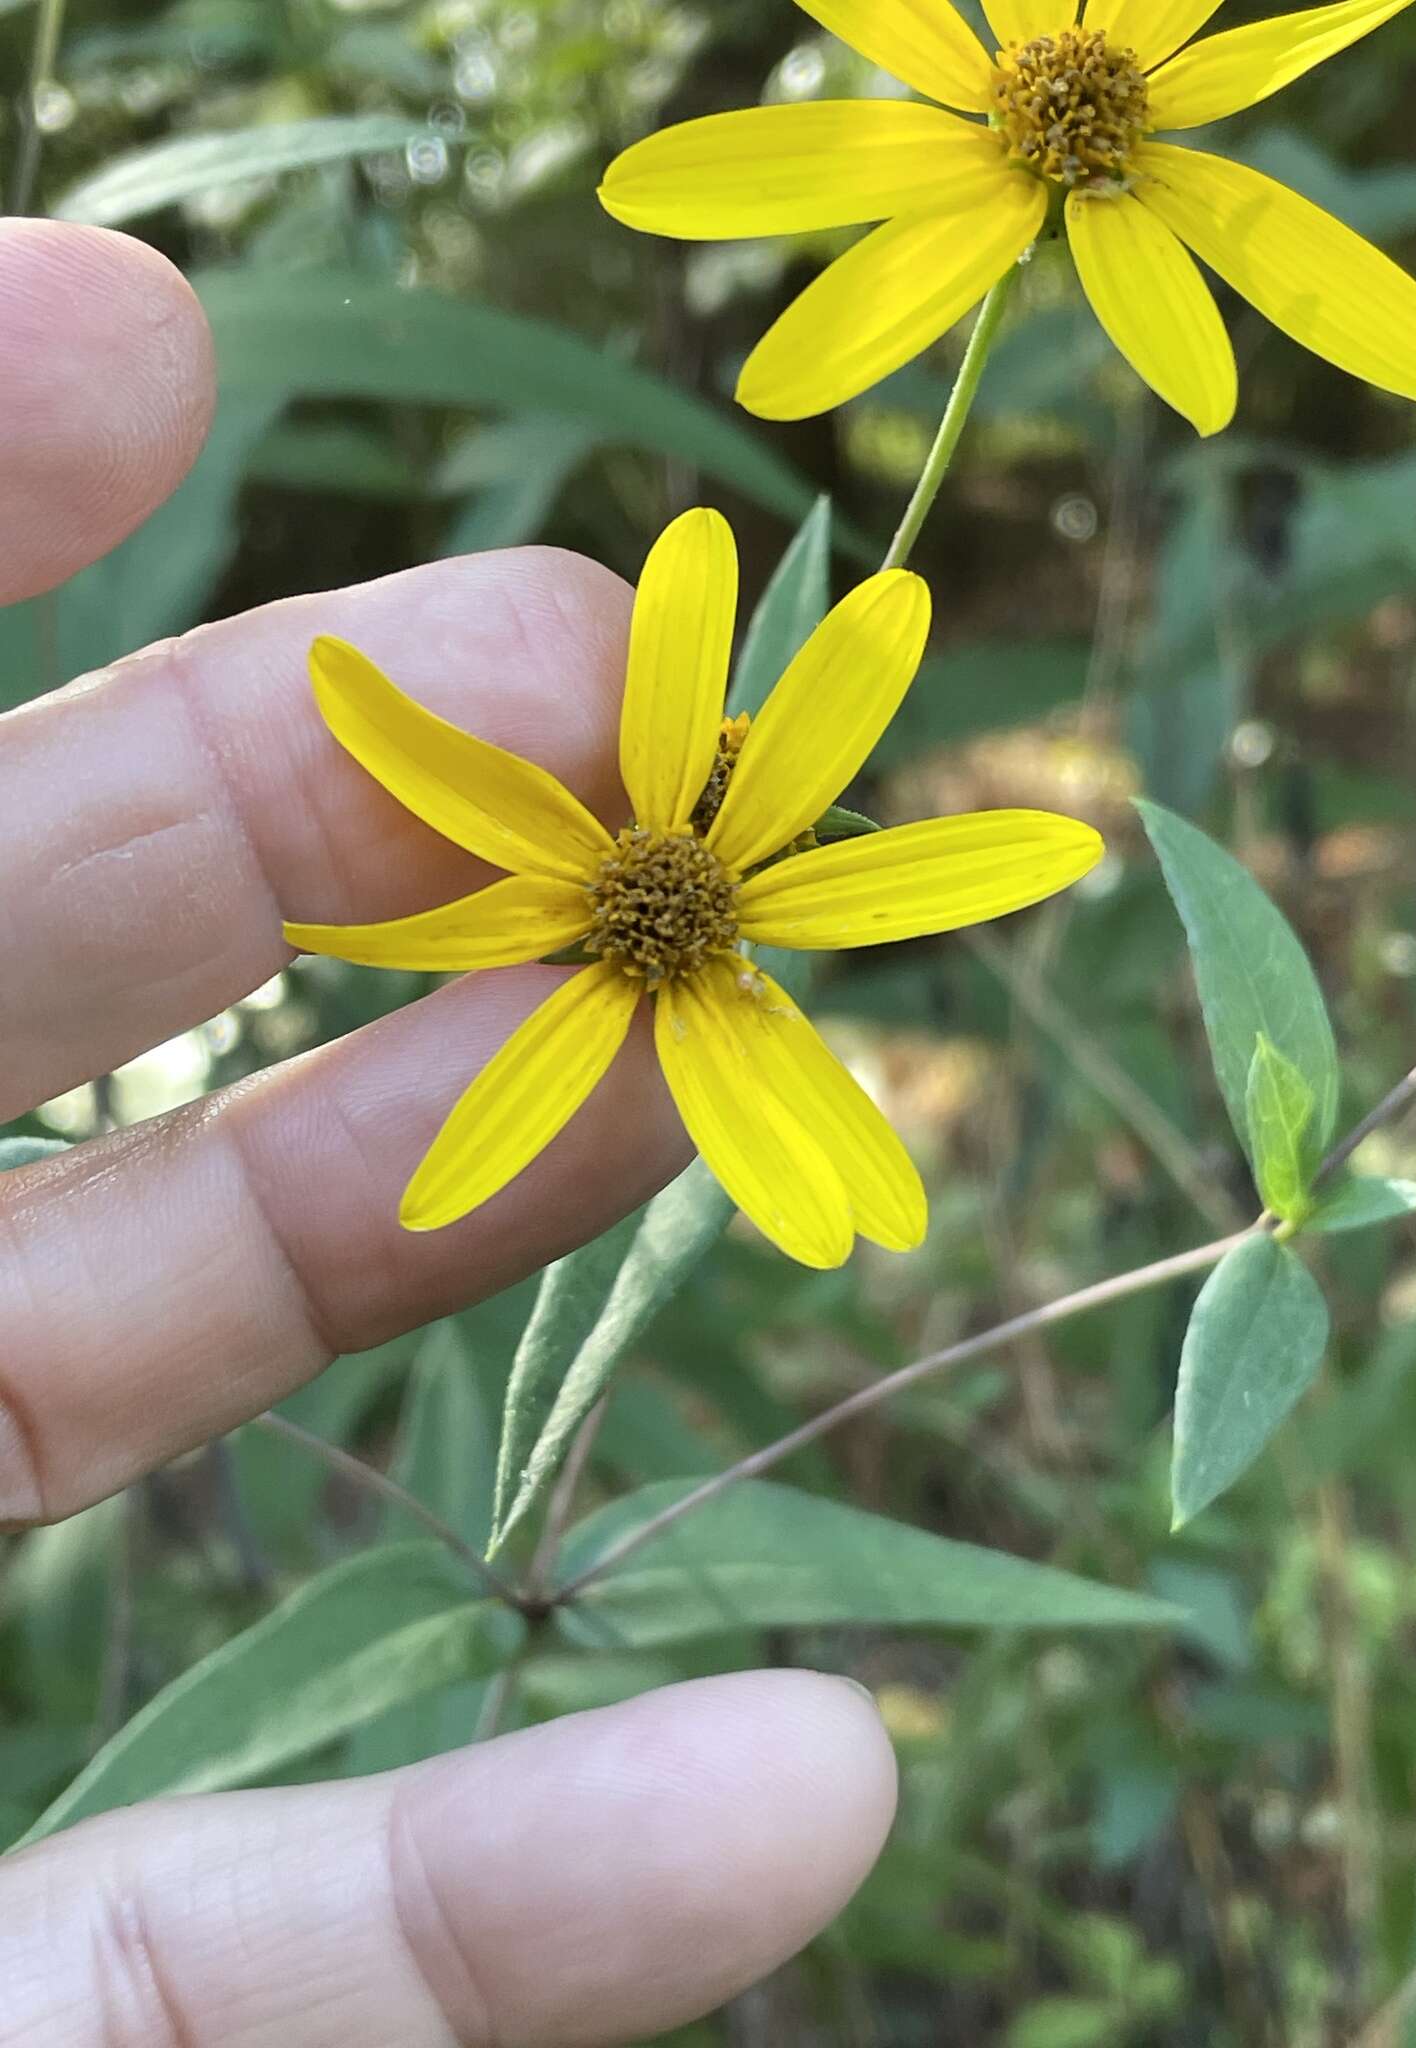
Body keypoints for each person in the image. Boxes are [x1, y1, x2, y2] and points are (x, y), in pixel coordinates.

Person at [0, 217, 897, 2046]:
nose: (678, 895)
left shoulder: (708, 950)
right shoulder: (629, 906)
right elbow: (406, 832)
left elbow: (825, 1181)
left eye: (691, 890)